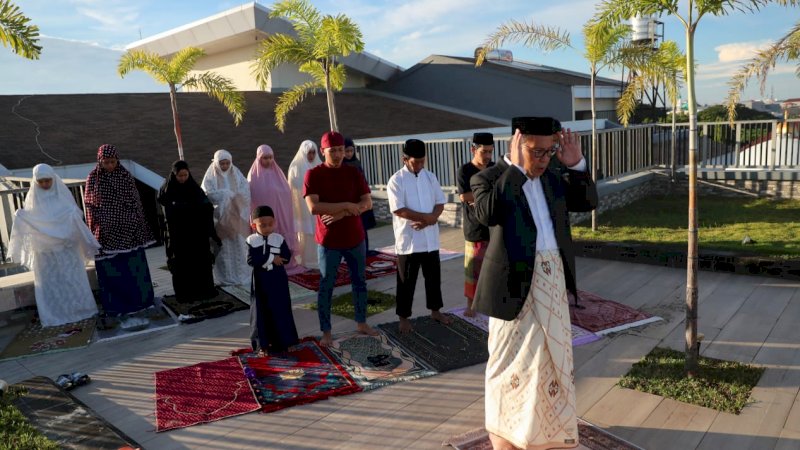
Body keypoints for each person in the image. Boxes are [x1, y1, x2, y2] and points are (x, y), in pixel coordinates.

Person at [471, 117, 598, 450]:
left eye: (550, 151)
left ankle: (547, 433)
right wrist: (515, 169)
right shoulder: (490, 177)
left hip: (552, 283)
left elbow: (587, 202)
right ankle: (504, 437)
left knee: (551, 363)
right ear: (517, 143)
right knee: (507, 366)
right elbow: (487, 214)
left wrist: (576, 164)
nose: (544, 159)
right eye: (537, 151)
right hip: (512, 288)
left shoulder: (555, 176)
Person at [304, 131, 378, 346]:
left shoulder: (353, 172)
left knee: (360, 281)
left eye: (340, 150)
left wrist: (339, 213)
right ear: (323, 151)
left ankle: (362, 322)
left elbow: (367, 203)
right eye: (332, 151)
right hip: (329, 241)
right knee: (327, 285)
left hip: (355, 237)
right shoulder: (314, 175)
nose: (337, 155)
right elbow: (313, 207)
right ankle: (326, 331)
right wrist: (347, 205)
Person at [9, 164, 100, 327]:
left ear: (53, 178)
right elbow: (33, 219)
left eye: (47, 180)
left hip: (66, 248)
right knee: (50, 283)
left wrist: (70, 217)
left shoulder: (62, 195)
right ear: (36, 182)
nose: (44, 184)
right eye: (41, 181)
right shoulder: (33, 199)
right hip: (45, 250)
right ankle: (55, 315)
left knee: (72, 279)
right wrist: (22, 217)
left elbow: (72, 213)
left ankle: (81, 310)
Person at [386, 139, 451, 333]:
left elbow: (440, 202)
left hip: (430, 240)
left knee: (433, 279)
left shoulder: (430, 177)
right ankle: (404, 317)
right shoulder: (396, 180)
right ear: (405, 159)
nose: (420, 165)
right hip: (409, 241)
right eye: (416, 162)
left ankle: (436, 311)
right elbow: (399, 210)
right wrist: (426, 219)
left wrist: (432, 218)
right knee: (406, 281)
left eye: (423, 161)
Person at [85, 144, 156, 317]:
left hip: (130, 235)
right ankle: (117, 306)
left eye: (112, 162)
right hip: (107, 237)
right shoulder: (93, 178)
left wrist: (133, 222)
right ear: (100, 161)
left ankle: (141, 303)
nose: (110, 166)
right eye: (106, 162)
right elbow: (90, 206)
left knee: (134, 271)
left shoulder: (125, 176)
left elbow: (136, 202)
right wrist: (100, 225)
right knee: (114, 273)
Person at [158, 160, 220, 303]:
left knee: (201, 262)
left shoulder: (194, 188)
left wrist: (199, 208)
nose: (183, 178)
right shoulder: (167, 190)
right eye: (180, 176)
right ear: (174, 175)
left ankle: (205, 291)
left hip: (197, 234)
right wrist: (183, 208)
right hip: (178, 235)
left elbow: (206, 205)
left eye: (185, 175)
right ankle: (186, 294)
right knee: (182, 265)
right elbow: (166, 209)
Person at [247, 205, 299, 355]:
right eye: (263, 225)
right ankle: (262, 344)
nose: (267, 228)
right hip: (260, 281)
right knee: (260, 311)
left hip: (278, 280)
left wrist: (272, 259)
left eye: (270, 224)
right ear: (253, 225)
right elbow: (251, 260)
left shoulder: (279, 239)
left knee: (281, 309)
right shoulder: (251, 240)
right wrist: (271, 258)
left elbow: (286, 257)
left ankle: (287, 341)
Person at [247, 144, 303, 275]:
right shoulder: (254, 176)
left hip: (281, 213)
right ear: (259, 158)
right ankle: (266, 261)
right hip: (264, 217)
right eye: (265, 158)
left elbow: (286, 192)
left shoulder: (278, 173)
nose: (268, 161)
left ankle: (285, 261)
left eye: (271, 157)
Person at [456, 132, 495, 318]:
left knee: (495, 268)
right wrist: (488, 193)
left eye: (490, 151)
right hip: (475, 228)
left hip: (495, 227)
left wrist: (479, 195)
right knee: (473, 270)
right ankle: (471, 305)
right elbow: (464, 196)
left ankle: (492, 303)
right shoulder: (465, 170)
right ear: (473, 149)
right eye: (484, 151)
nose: (487, 156)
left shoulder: (495, 168)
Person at [201, 149, 251, 286]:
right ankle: (227, 277)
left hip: (236, 217)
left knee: (240, 247)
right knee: (224, 249)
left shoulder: (236, 174)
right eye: (222, 163)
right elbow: (207, 194)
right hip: (221, 221)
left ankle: (241, 275)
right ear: (216, 163)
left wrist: (234, 200)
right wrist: (224, 194)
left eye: (227, 163)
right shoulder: (210, 176)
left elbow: (245, 191)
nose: (224, 166)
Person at [287, 140, 321, 269]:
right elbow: (294, 188)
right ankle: (307, 261)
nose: (311, 156)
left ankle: (320, 259)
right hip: (303, 207)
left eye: (313, 153)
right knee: (307, 233)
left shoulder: (319, 165)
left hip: (318, 205)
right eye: (309, 153)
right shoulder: (295, 167)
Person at [343, 137, 377, 255]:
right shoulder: (341, 165)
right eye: (346, 151)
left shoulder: (356, 162)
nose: (349, 154)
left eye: (351, 151)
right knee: (352, 227)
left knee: (363, 227)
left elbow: (363, 180)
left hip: (361, 199)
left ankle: (365, 250)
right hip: (350, 200)